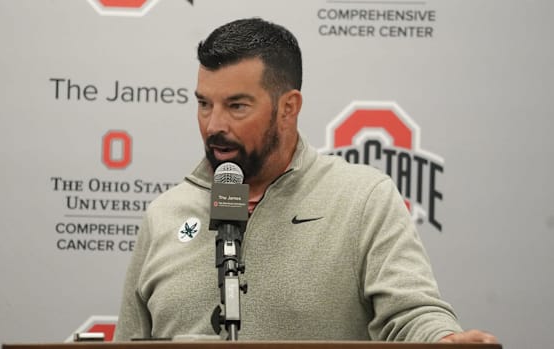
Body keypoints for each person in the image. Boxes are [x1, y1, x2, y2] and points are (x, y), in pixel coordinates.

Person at [114, 17, 497, 343]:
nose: (214, 125)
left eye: (236, 106)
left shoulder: (362, 199)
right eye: (203, 104)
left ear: (288, 108)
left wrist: (443, 339)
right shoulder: (164, 213)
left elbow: (411, 313)